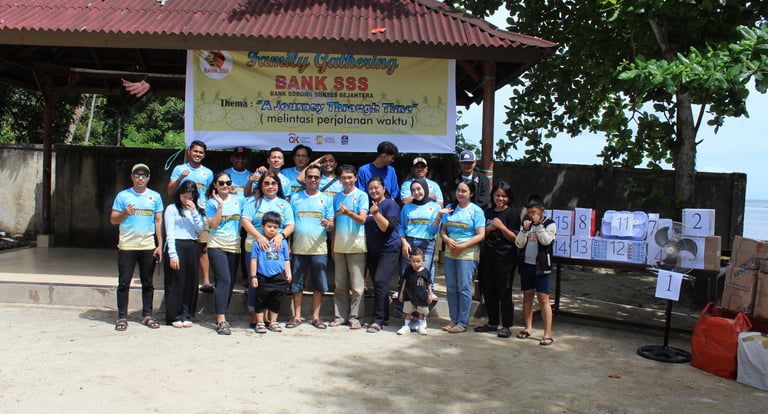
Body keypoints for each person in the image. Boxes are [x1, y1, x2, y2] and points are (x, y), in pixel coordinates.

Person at [110, 163, 164, 331]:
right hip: (127, 245)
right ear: (132, 177)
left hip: (147, 245)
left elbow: (158, 221)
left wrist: (160, 244)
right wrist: (124, 213)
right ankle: (122, 317)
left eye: (144, 175)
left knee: (148, 282)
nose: (141, 178)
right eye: (137, 175)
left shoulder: (155, 197)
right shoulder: (123, 196)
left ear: (148, 177)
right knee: (124, 282)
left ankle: (147, 314)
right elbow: (113, 219)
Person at [240, 171, 295, 329]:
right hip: (255, 246)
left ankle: (269, 318)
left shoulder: (284, 204)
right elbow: (245, 221)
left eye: (273, 183)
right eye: (266, 183)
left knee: (273, 285)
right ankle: (256, 317)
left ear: (278, 185)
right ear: (261, 185)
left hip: (276, 249)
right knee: (256, 283)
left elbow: (291, 225)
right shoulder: (253, 201)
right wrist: (259, 237)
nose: (270, 186)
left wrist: (280, 236)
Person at [288, 164, 334, 329]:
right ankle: (297, 316)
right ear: (305, 179)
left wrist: (328, 224)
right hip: (298, 248)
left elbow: (332, 225)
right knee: (296, 284)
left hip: (319, 249)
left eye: (316, 177)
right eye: (310, 176)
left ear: (320, 179)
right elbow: (289, 224)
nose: (313, 179)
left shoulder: (326, 199)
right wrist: (288, 245)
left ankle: (316, 317)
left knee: (319, 284)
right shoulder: (295, 198)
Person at [167, 140, 215, 293]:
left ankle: (206, 281)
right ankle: (181, 276)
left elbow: (209, 193)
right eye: (195, 151)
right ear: (189, 151)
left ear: (204, 155)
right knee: (183, 245)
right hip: (181, 211)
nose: (197, 154)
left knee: (202, 247)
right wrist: (180, 178)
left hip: (200, 212)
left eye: (201, 152)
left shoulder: (208, 173)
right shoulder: (179, 169)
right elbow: (170, 190)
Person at [475, 181, 520, 338]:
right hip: (487, 257)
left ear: (508, 197)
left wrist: (501, 227)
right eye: (497, 195)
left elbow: (515, 238)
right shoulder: (487, 212)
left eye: (503, 196)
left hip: (506, 259)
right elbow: (480, 234)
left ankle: (506, 325)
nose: (500, 199)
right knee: (488, 290)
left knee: (504, 291)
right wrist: (490, 228)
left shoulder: (513, 214)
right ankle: (492, 322)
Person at [439, 180, 485, 333]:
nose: (460, 193)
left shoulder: (477, 211)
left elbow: (481, 235)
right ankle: (453, 319)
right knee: (451, 287)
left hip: (467, 253)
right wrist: (446, 239)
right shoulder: (450, 209)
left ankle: (462, 322)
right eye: (458, 190)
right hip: (450, 252)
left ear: (471, 193)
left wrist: (462, 246)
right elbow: (443, 230)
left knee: (464, 287)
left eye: (464, 191)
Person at [205, 171, 244, 335]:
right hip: (217, 245)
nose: (225, 186)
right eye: (221, 183)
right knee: (224, 280)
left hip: (234, 246)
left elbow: (243, 221)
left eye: (228, 182)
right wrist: (220, 205)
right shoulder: (211, 203)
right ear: (215, 185)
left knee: (230, 282)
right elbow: (213, 224)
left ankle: (223, 314)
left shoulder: (239, 200)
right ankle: (221, 320)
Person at [514, 194, 557, 346]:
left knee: (543, 299)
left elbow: (546, 241)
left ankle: (547, 334)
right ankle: (528, 328)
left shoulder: (550, 224)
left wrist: (538, 226)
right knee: (527, 296)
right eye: (529, 212)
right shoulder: (526, 224)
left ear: (541, 210)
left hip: (542, 267)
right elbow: (519, 243)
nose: (531, 215)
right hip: (527, 266)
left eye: (534, 212)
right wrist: (524, 230)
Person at [330, 164, 369, 329]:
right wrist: (333, 245)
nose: (347, 181)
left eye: (349, 177)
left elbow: (363, 219)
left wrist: (348, 213)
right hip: (339, 246)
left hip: (356, 246)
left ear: (355, 178)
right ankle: (339, 316)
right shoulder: (336, 198)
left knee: (357, 286)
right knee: (340, 285)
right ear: (339, 180)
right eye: (343, 178)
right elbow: (334, 224)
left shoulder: (362, 195)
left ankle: (356, 317)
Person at [163, 180, 205, 327]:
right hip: (176, 244)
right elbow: (169, 232)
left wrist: (194, 211)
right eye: (184, 196)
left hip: (191, 245)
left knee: (190, 282)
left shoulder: (196, 210)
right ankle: (174, 315)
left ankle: (187, 314)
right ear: (179, 194)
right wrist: (173, 254)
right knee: (176, 282)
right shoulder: (171, 209)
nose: (187, 200)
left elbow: (200, 229)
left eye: (190, 197)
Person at [364, 176, 401, 333]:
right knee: (379, 284)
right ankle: (385, 316)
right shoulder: (369, 206)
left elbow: (387, 227)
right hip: (373, 250)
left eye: (376, 187)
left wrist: (377, 214)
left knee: (380, 281)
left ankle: (377, 321)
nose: (373, 190)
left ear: (384, 189)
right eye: (370, 188)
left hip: (389, 249)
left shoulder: (390, 205)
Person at [397, 178, 441, 302]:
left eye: (419, 189)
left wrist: (438, 217)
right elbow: (401, 226)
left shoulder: (435, 207)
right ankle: (404, 303)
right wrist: (404, 242)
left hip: (427, 244)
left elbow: (433, 231)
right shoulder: (407, 208)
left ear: (425, 189)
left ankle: (423, 306)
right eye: (413, 190)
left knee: (422, 275)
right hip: (409, 243)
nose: (416, 192)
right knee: (407, 273)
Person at [249, 212, 292, 334]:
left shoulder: (282, 242)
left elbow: (286, 259)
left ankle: (273, 322)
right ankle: (260, 322)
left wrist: (288, 273)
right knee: (260, 300)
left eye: (275, 227)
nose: (272, 229)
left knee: (276, 300)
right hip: (263, 276)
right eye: (269, 226)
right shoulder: (257, 243)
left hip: (278, 277)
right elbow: (253, 260)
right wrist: (253, 276)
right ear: (263, 227)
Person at [225, 146, 253, 287]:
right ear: (232, 158)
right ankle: (229, 276)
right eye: (237, 157)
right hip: (230, 216)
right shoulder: (225, 174)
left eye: (243, 158)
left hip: (247, 217)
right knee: (232, 246)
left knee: (245, 246)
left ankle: (246, 276)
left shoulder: (252, 176)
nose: (240, 160)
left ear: (247, 160)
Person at [396, 248, 432, 335]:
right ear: (410, 260)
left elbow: (428, 284)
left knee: (421, 312)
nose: (415, 264)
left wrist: (430, 294)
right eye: (413, 261)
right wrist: (401, 293)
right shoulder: (408, 270)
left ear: (423, 260)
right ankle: (406, 326)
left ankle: (421, 326)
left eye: (418, 261)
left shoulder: (425, 272)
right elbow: (404, 282)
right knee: (408, 311)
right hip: (409, 295)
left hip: (421, 296)